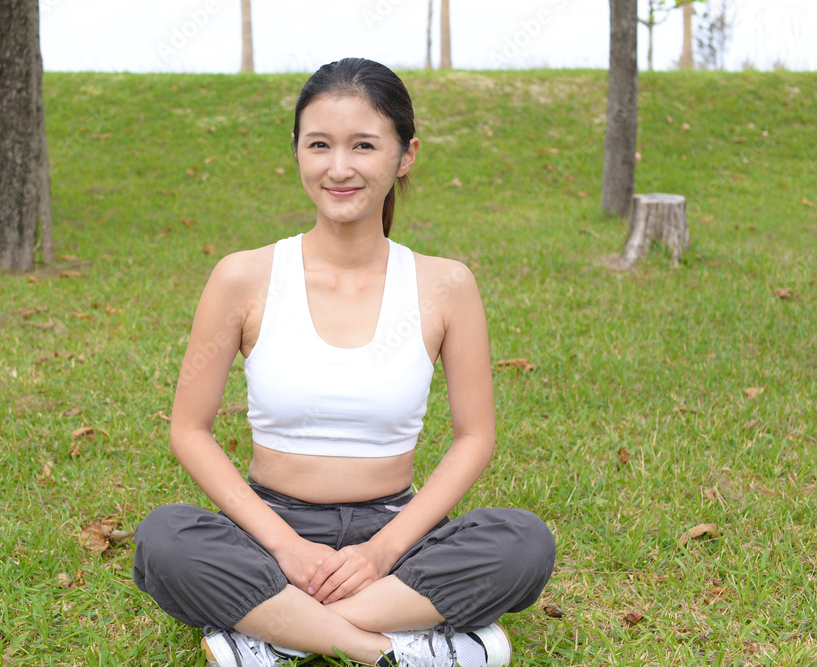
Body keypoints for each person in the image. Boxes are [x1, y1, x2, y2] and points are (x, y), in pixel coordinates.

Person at [133, 57, 556, 667]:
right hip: (269, 530)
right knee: (165, 539)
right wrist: (287, 549)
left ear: (405, 155)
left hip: (395, 533)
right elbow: (188, 430)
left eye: (363, 145)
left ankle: (273, 631)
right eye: (319, 145)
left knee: (522, 543)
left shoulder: (446, 285)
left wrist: (381, 553)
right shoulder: (243, 277)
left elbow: (474, 438)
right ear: (297, 153)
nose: (339, 168)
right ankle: (389, 647)